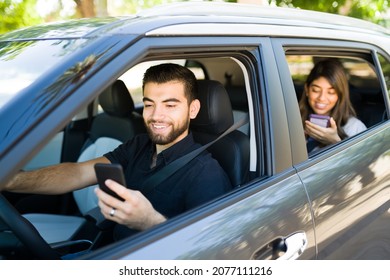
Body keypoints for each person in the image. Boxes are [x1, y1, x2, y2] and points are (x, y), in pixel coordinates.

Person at [3, 63, 232, 240]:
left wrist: (149, 221)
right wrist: (11, 180)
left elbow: (208, 253)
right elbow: (78, 173)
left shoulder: (206, 174)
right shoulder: (138, 145)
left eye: (170, 105)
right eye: (149, 103)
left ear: (193, 109)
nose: (156, 115)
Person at [298, 59, 367, 153]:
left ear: (340, 94)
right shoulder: (292, 122)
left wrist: (335, 142)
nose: (322, 98)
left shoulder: (354, 127)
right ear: (307, 90)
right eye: (316, 90)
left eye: (331, 92)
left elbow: (360, 165)